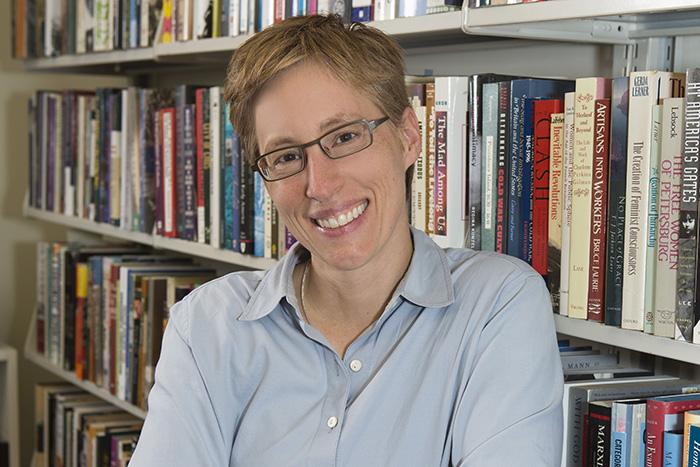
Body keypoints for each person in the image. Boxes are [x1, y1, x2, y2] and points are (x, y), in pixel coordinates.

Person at [130, 14, 563, 466]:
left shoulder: (497, 303)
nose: (319, 184)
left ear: (409, 137)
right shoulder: (206, 326)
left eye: (345, 136)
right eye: (286, 156)